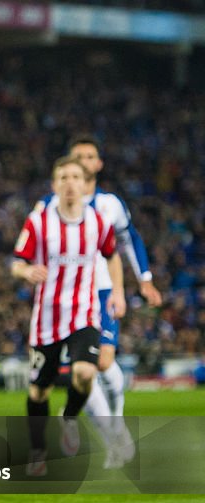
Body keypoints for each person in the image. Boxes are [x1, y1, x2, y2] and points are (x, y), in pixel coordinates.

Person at [12, 155, 126, 476]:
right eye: (63, 178)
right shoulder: (38, 222)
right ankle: (38, 450)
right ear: (54, 185)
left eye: (76, 177)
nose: (70, 183)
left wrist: (117, 292)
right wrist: (26, 271)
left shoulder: (97, 222)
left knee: (86, 373)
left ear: (85, 184)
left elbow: (112, 256)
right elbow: (16, 261)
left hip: (84, 314)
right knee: (39, 391)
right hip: (46, 319)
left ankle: (70, 418)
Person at [66, 137, 163, 466]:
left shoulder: (109, 204)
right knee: (82, 373)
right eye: (78, 156)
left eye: (90, 156)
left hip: (104, 290)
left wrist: (144, 280)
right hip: (70, 295)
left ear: (98, 164)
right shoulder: (53, 205)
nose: (84, 161)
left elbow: (130, 239)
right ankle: (114, 440)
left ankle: (118, 427)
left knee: (103, 362)